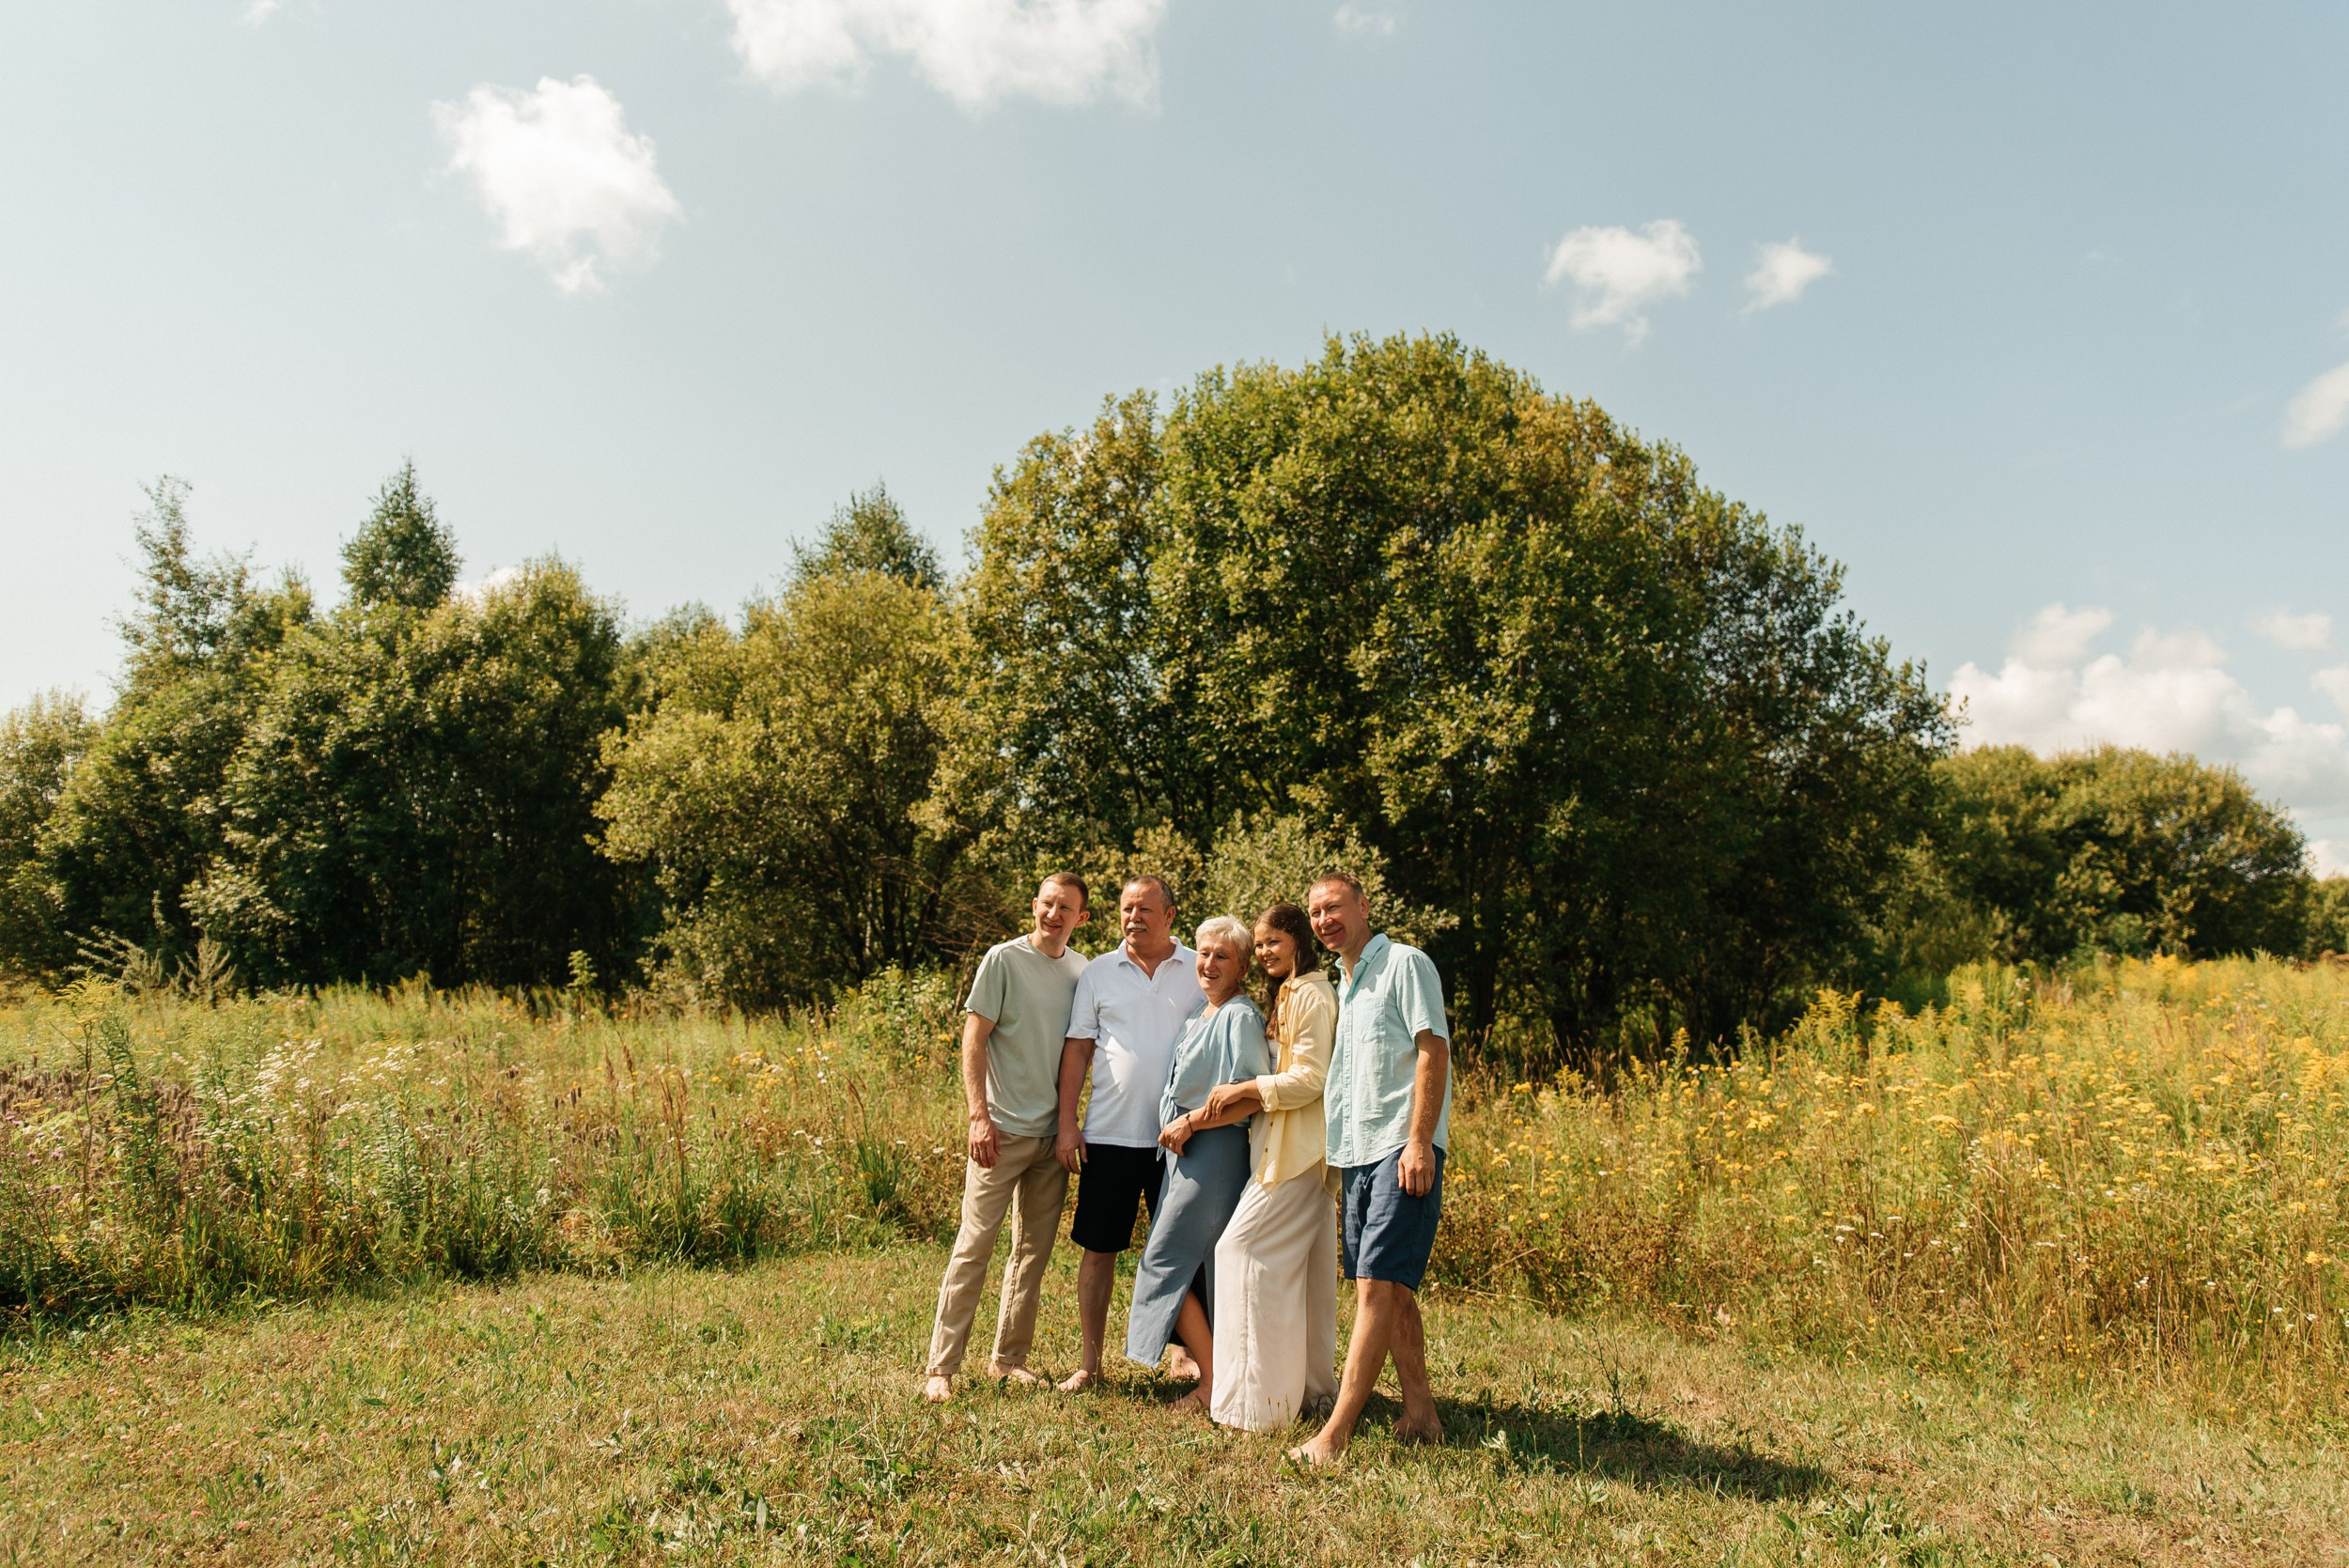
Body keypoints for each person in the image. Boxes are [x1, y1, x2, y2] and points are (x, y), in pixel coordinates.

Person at [1290, 871, 1451, 1464]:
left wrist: (1418, 1142)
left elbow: (1432, 1048)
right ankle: (1421, 1414)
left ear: (1363, 906)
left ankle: (1334, 1436)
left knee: (1377, 1286)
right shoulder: (1345, 983)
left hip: (1399, 1147)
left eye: (1334, 907)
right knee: (1388, 1289)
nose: (1324, 920)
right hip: (1355, 1155)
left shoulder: (1405, 964)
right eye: (1314, 913)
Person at [921, 873, 1092, 1403]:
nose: (1054, 914)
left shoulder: (1083, 971)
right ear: (1034, 905)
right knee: (975, 1247)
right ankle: (941, 1369)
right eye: (1047, 903)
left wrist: (1069, 1124)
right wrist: (978, 1116)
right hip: (999, 1132)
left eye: (1066, 908)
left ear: (1081, 918)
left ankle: (1008, 1359)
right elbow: (975, 1037)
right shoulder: (1003, 959)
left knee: (1032, 1253)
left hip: (1053, 1139)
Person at [1184, 902, 1340, 1433]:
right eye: (1262, 943)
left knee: (1240, 1249)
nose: (1267, 951)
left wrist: (1248, 1088)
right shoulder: (1289, 996)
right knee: (1308, 1274)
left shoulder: (1314, 995)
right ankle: (1313, 1392)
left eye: (1275, 941)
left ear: (1298, 940)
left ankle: (1253, 1407)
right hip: (1282, 1149)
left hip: (1297, 1153)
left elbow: (1311, 1080)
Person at [1054, 875, 1206, 1391]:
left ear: (1170, 916)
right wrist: (1068, 1123)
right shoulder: (1098, 972)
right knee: (1099, 1251)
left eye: (1145, 909)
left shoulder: (1198, 967)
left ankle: (1186, 1355)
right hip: (1109, 1136)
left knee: (1187, 1247)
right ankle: (1090, 1363)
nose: (1133, 918)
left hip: (1182, 1138)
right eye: (1125, 909)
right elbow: (1078, 1049)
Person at [1126, 915, 1270, 1413]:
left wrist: (1191, 1125)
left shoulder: (1239, 1016)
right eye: (1204, 953)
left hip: (1214, 1154)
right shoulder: (1198, 1016)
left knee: (1164, 1259)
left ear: (1243, 966)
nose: (1208, 964)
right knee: (1196, 1266)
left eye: (1222, 956)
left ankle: (1212, 1382)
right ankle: (1224, 1374)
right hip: (1181, 1156)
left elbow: (1253, 1096)